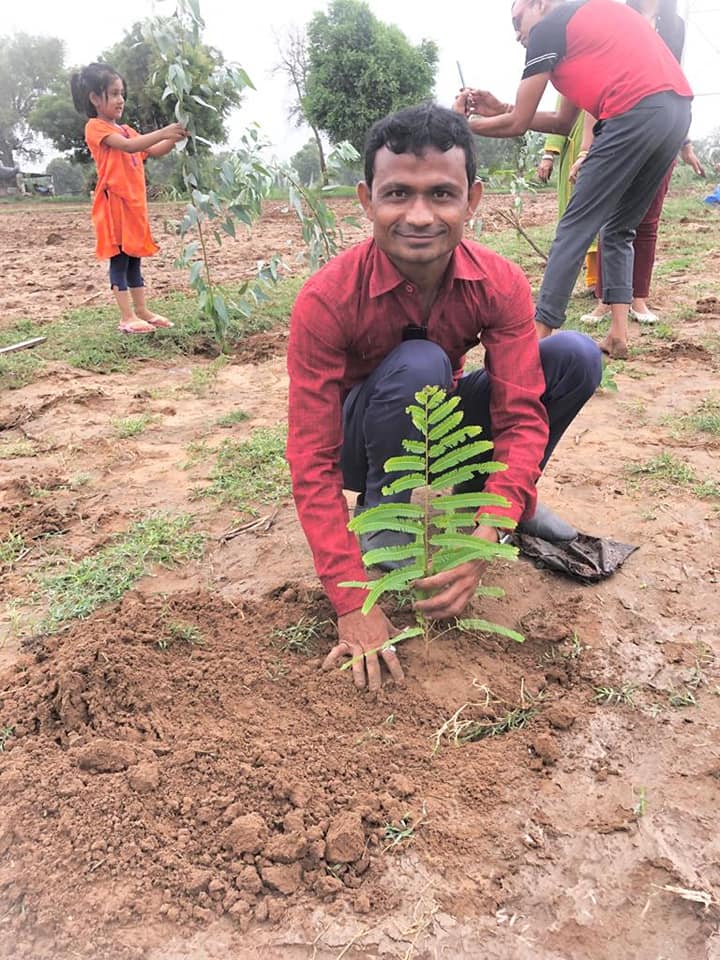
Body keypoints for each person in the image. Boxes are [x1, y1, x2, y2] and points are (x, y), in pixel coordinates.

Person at [286, 103, 602, 692]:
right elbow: (312, 459)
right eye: (397, 194)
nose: (419, 215)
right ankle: (383, 512)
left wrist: (490, 530)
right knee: (421, 362)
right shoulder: (327, 299)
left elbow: (520, 414)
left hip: (438, 416)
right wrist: (352, 600)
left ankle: (493, 502)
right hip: (360, 439)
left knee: (574, 357)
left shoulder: (498, 282)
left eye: (441, 194)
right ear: (366, 200)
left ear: (471, 199)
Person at [453, 0, 693, 361]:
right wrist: (502, 108)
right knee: (620, 228)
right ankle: (618, 334)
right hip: (676, 112)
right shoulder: (583, 29)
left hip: (634, 110)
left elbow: (518, 123)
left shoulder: (548, 29)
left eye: (517, 21)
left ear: (540, 4)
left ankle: (536, 338)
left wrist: (462, 125)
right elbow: (562, 123)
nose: (517, 34)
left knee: (575, 226)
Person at [577, 0, 706, 343]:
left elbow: (675, 81)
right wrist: (588, 148)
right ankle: (606, 299)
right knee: (611, 219)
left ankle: (638, 298)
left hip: (663, 129)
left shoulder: (674, 25)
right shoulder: (618, 17)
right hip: (621, 125)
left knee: (647, 219)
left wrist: (684, 142)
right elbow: (599, 82)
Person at [70, 62, 188, 334]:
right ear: (95, 98)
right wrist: (164, 131)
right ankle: (126, 316)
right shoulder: (96, 128)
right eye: (113, 93)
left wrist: (176, 136)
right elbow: (129, 147)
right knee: (120, 258)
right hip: (115, 204)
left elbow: (154, 150)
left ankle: (142, 310)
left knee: (135, 257)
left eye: (121, 93)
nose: (120, 99)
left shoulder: (126, 129)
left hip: (134, 205)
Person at [537, 101, 598, 295]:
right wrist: (548, 154)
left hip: (607, 146)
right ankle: (587, 281)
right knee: (574, 215)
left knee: (604, 217)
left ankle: (602, 281)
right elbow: (561, 115)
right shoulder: (573, 84)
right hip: (576, 154)